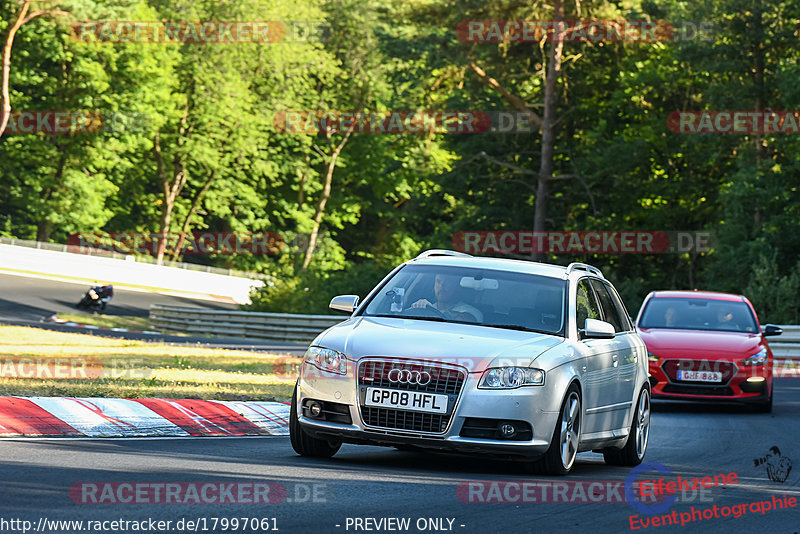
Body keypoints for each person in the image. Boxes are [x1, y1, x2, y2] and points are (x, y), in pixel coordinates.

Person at [411, 274, 483, 322]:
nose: (441, 286)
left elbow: (466, 319)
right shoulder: (427, 307)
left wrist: (430, 311)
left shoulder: (471, 311)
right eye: (438, 281)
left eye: (448, 282)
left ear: (456, 286)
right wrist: (418, 307)